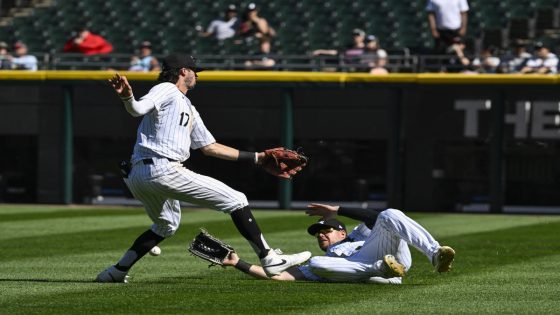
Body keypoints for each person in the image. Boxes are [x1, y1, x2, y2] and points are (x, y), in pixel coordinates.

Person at [96, 53, 311, 283]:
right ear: (182, 72)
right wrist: (128, 97)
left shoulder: (188, 106)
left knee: (165, 225)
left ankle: (116, 272)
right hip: (162, 169)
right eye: (194, 70)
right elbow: (137, 109)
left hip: (139, 176)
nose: (197, 75)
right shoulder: (167, 89)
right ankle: (269, 257)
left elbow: (211, 147)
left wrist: (257, 157)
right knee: (237, 199)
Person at [223, 203, 456, 284]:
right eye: (318, 233)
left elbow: (375, 219)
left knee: (389, 214)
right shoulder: (328, 257)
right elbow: (280, 276)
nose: (321, 235)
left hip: (388, 258)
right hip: (372, 272)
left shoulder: (359, 234)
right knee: (315, 261)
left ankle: (435, 253)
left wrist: (339, 210)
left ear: (342, 233)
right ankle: (382, 270)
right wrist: (237, 263)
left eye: (327, 230)